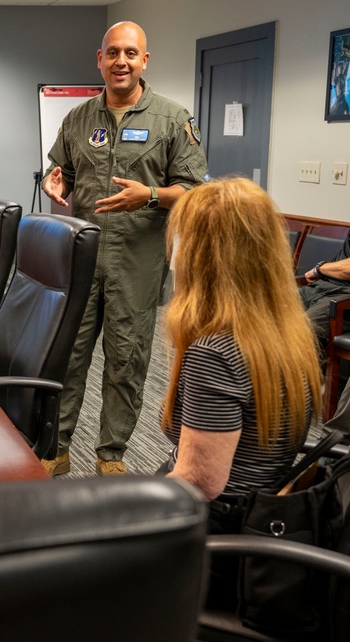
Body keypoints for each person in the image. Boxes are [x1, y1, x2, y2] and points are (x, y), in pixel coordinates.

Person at [41, 21, 209, 476]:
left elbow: (194, 190)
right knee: (67, 357)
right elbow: (61, 169)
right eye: (113, 53)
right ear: (100, 59)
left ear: (144, 61)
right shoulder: (78, 118)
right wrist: (52, 178)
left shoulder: (173, 119)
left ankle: (110, 455)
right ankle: (55, 449)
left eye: (130, 54)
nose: (121, 61)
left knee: (127, 360)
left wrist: (150, 196)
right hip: (82, 258)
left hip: (137, 260)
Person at [159, 178, 322, 605]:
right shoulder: (286, 328)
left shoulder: (215, 351)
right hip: (267, 507)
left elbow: (202, 482)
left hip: (219, 530)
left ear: (202, 257)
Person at [299, 230, 350, 351]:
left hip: (344, 295)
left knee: (300, 329)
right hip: (322, 285)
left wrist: (320, 268)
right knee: (263, 312)